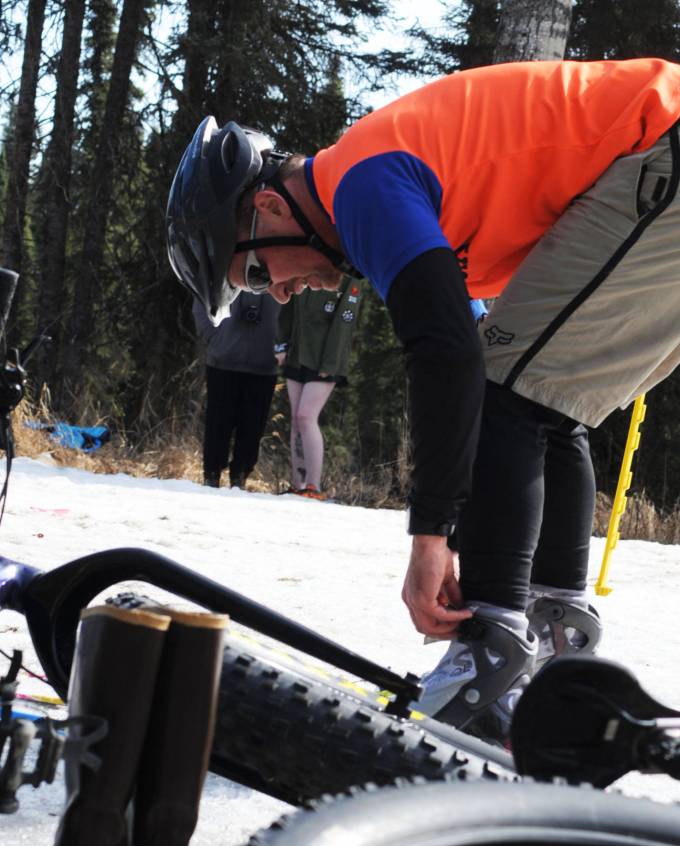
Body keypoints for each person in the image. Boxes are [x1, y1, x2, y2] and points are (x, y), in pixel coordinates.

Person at [167, 58, 680, 738]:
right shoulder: (378, 183)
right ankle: (549, 640)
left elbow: (454, 359)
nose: (282, 293)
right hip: (656, 160)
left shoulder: (362, 184)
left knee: (515, 381)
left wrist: (431, 538)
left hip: (659, 150)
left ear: (266, 207)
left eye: (258, 272)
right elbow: (508, 394)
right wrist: (476, 535)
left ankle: (492, 658)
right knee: (548, 400)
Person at [278, 278, 362, 498]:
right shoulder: (305, 265)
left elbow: (344, 323)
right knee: (296, 419)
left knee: (306, 416)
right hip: (297, 354)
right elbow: (287, 305)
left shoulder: (348, 277)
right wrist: (280, 343)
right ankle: (299, 483)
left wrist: (329, 363)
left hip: (325, 359)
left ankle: (313, 485)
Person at [193, 292, 280, 489]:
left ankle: (240, 477)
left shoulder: (282, 264)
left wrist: (280, 344)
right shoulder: (227, 263)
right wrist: (213, 337)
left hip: (264, 363)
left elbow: (292, 313)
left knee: (253, 427)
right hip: (222, 359)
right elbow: (201, 296)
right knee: (217, 423)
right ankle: (211, 475)